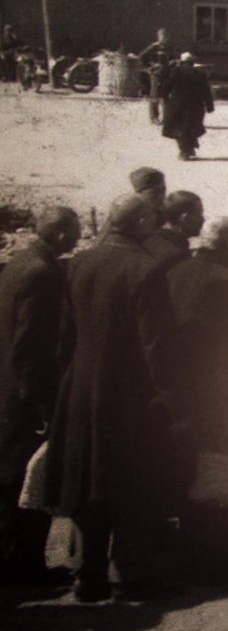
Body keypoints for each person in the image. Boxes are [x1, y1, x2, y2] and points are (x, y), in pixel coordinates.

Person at [44, 194, 181, 603]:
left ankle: (87, 575)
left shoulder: (82, 262)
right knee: (132, 483)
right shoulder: (145, 269)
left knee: (90, 483)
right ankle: (129, 575)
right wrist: (168, 399)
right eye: (152, 219)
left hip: (82, 387)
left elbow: (66, 333)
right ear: (140, 221)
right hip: (129, 394)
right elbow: (155, 345)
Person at [167, 217, 228, 583]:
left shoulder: (177, 272)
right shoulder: (227, 280)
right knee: (223, 474)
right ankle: (221, 560)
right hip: (221, 392)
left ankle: (189, 552)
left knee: (192, 470)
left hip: (183, 389)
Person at [0, 207, 80, 586]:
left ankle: (17, 561)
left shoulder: (19, 262)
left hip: (10, 393)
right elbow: (30, 346)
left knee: (13, 482)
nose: (79, 237)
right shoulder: (42, 274)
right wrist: (40, 407)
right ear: (61, 234)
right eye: (75, 231)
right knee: (30, 482)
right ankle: (25, 565)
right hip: (25, 399)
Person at [161, 52, 214, 160]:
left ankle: (184, 151)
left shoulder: (176, 71)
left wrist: (166, 100)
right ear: (192, 62)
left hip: (177, 104)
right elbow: (206, 91)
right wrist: (209, 105)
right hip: (195, 106)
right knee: (191, 127)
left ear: (181, 61)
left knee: (179, 129)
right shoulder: (200, 73)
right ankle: (189, 149)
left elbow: (166, 87)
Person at [143, 191, 204, 269]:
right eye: (199, 214)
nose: (203, 219)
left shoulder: (151, 240)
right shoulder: (175, 255)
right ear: (184, 218)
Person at [139, 28, 174, 125]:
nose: (165, 38)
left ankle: (166, 117)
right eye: (163, 36)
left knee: (165, 95)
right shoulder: (154, 47)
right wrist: (150, 67)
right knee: (154, 95)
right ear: (159, 37)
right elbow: (142, 56)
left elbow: (173, 58)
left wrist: (172, 63)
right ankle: (154, 117)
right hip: (156, 74)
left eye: (166, 36)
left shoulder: (168, 48)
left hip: (166, 74)